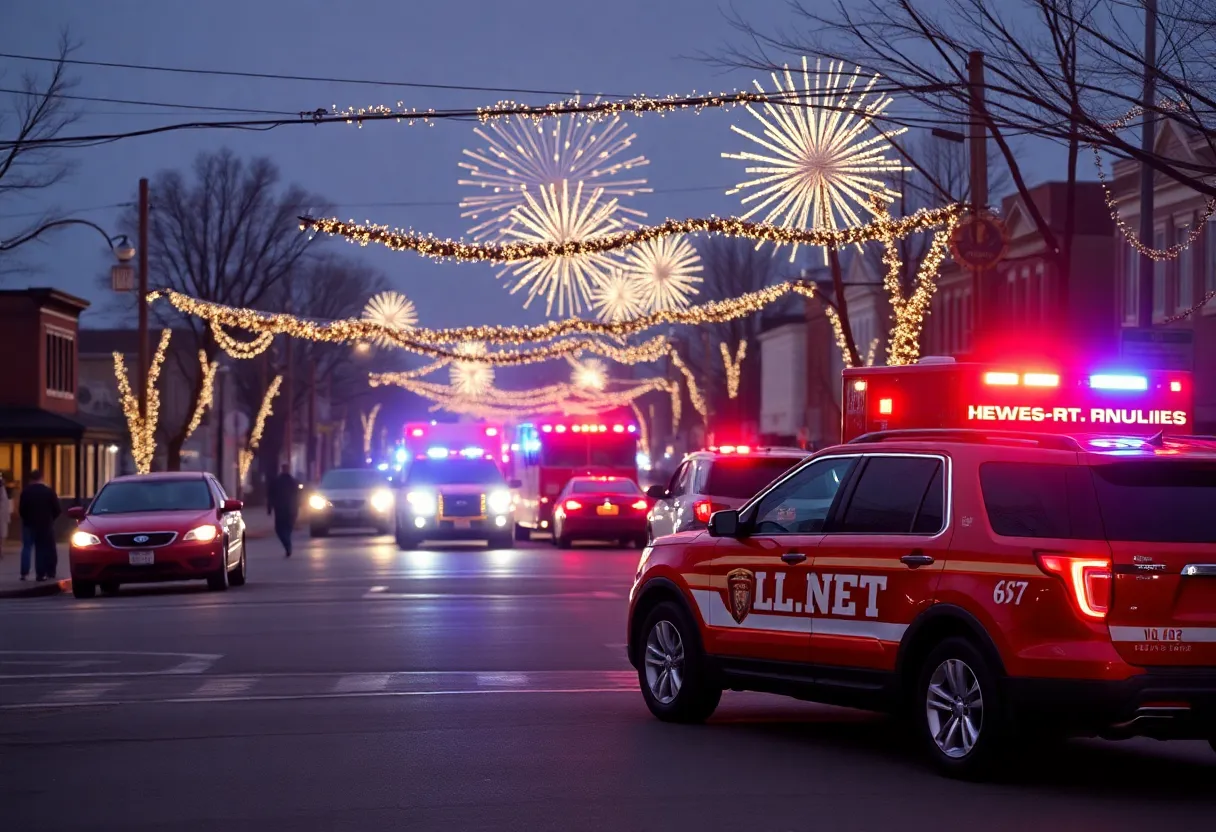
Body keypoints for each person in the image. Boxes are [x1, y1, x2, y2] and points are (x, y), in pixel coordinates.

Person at [18, 470, 61, 582]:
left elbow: (21, 509)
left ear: (31, 479)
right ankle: (40, 574)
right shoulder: (48, 491)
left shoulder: (26, 492)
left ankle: (24, 573)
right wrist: (51, 518)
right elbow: (57, 509)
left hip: (28, 523)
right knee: (41, 548)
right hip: (45, 524)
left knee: (27, 547)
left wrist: (26, 518)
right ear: (42, 478)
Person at [268, 464, 300, 557]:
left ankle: (287, 544)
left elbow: (271, 496)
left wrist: (269, 508)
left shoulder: (276, 481)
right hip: (292, 509)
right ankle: (287, 544)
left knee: (279, 529)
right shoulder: (293, 482)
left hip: (280, 509)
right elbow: (298, 496)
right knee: (288, 528)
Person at [0, 474, 10, 560]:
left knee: (2, 533)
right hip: (2, 514)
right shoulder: (2, 490)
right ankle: (1, 551)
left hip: (3, 514)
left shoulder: (3, 490)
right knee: (2, 533)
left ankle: (1, 551)